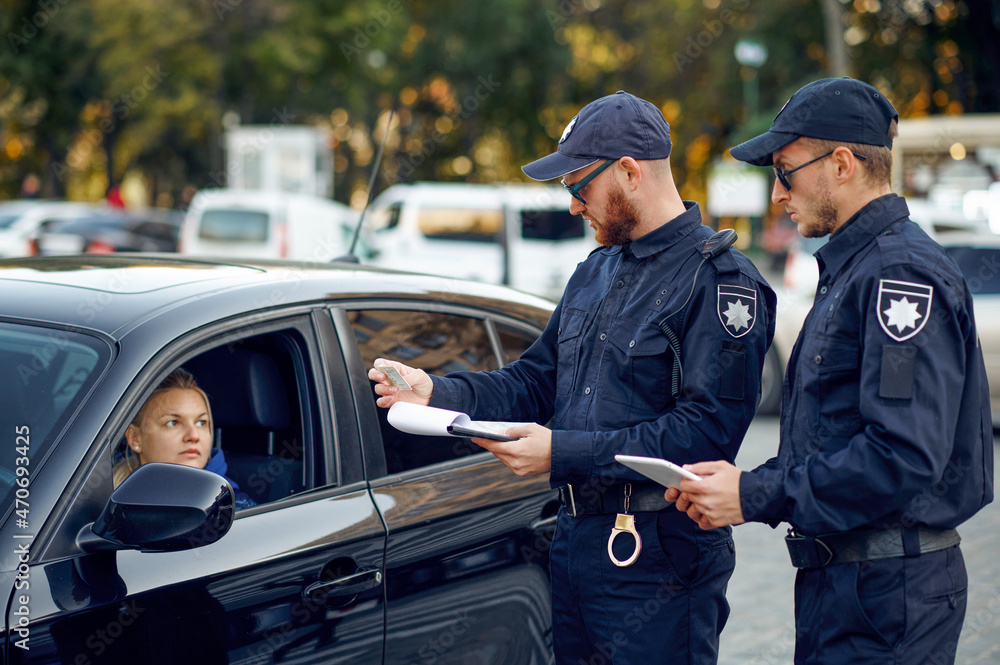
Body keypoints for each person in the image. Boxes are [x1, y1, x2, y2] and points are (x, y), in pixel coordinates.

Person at [370, 90, 776, 665]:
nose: (572, 206)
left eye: (577, 186)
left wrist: (563, 452)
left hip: (659, 552)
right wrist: (438, 391)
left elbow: (706, 434)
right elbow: (533, 381)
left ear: (630, 172)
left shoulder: (720, 281)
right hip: (574, 542)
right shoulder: (596, 269)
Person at [667, 77, 994, 664]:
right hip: (847, 583)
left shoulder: (901, 278)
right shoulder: (855, 268)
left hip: (888, 595)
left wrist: (753, 493)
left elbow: (901, 454)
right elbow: (837, 437)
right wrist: (743, 482)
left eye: (785, 170)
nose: (776, 194)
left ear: (841, 163)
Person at [114, 368, 257, 510]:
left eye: (201, 423)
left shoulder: (233, 509)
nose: (193, 436)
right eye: (173, 423)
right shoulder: (102, 497)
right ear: (134, 438)